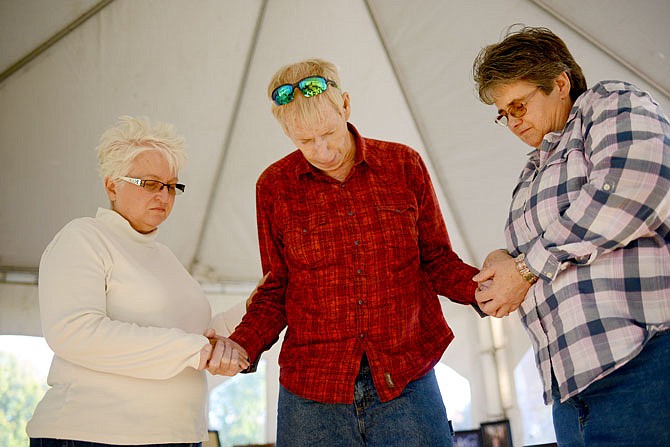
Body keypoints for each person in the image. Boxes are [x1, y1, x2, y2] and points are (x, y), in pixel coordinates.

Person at [215, 58, 481, 447]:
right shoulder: (273, 187)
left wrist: (484, 288)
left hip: (404, 378)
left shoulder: (403, 164)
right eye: (304, 141)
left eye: (328, 132)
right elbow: (276, 289)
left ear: (346, 107)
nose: (321, 150)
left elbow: (437, 260)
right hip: (312, 393)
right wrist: (242, 343)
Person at [471, 26, 670, 446]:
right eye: (503, 113)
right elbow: (548, 255)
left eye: (519, 105)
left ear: (560, 83)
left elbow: (635, 184)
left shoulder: (611, 102)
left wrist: (524, 267)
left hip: (642, 361)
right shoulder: (531, 172)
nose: (512, 122)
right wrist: (503, 259)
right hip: (570, 395)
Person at [26, 116, 251, 447]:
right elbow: (74, 332)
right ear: (112, 185)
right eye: (150, 183)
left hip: (180, 437)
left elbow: (199, 338)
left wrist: (256, 302)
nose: (164, 195)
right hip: (93, 437)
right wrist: (195, 349)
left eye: (172, 186)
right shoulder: (84, 237)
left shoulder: (166, 259)